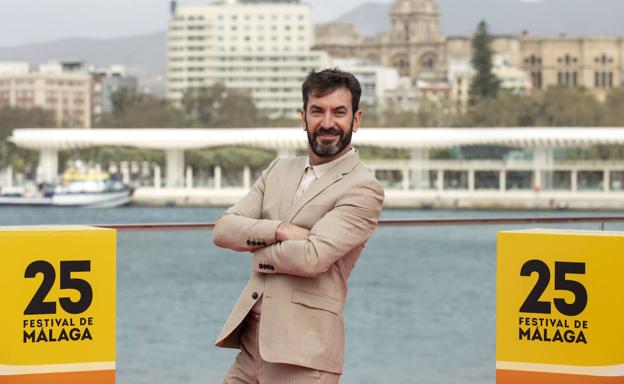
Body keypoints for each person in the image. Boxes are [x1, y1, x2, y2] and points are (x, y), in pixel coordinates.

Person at [213, 68, 385, 384]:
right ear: (303, 117)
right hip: (251, 347)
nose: (327, 122)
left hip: (304, 356)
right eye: (317, 111)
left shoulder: (363, 188)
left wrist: (256, 250)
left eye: (339, 112)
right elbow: (223, 229)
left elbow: (312, 257)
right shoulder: (278, 170)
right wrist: (278, 230)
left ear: (356, 120)